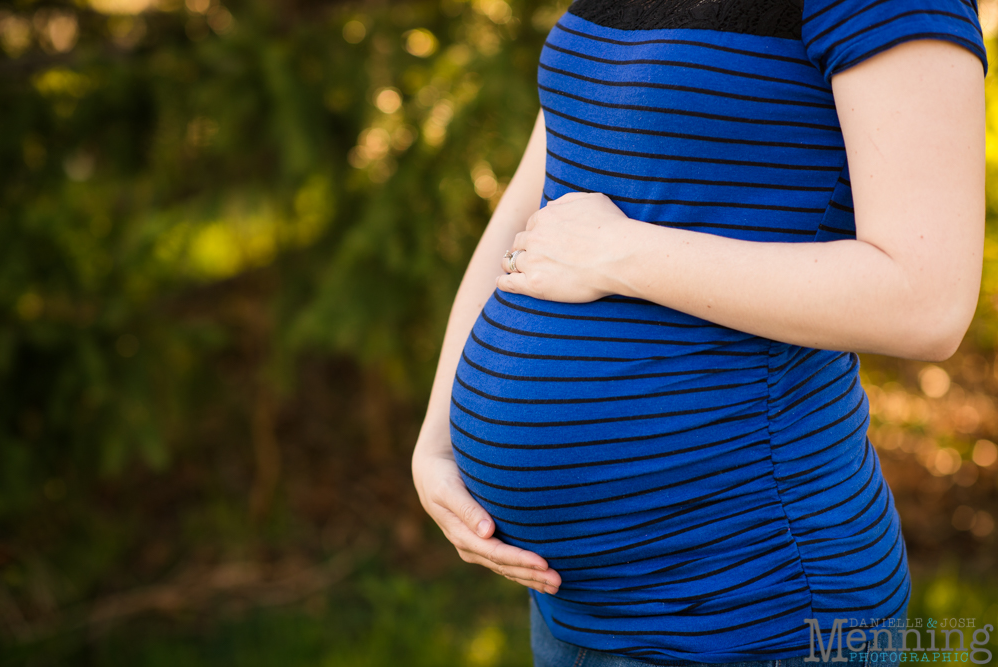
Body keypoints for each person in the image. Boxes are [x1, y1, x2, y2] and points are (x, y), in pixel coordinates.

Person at [412, 0, 987, 664]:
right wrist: (439, 441)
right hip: (573, 609)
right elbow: (538, 196)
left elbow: (926, 298)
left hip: (752, 608)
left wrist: (621, 254)